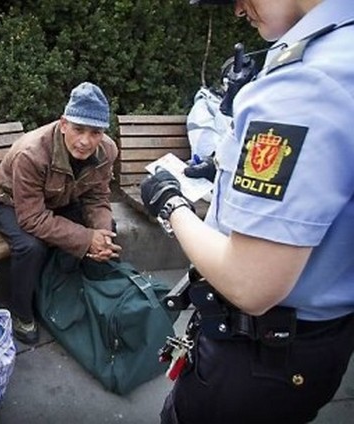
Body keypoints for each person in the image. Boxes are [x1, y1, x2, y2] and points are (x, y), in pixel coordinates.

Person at [141, 0, 354, 422]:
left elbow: (249, 283)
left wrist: (170, 203)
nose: (238, 10)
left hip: (255, 357)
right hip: (318, 345)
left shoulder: (304, 85)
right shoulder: (341, 53)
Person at [0, 82, 121, 344]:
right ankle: (21, 312)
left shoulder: (107, 150)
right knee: (30, 246)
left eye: (95, 132)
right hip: (9, 201)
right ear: (64, 123)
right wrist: (86, 238)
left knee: (108, 230)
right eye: (79, 129)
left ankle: (65, 296)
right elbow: (32, 218)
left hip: (59, 198)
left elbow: (97, 196)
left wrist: (101, 233)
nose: (85, 141)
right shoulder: (32, 154)